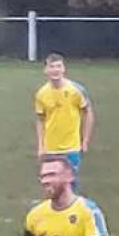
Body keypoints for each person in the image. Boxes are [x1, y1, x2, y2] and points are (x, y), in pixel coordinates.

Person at [34, 53, 95, 190]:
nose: (55, 70)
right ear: (46, 70)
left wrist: (85, 141)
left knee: (70, 184)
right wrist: (41, 145)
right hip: (51, 148)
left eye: (58, 66)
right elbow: (40, 119)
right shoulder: (41, 94)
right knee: (51, 185)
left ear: (64, 69)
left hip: (71, 147)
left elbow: (88, 113)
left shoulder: (75, 90)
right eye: (52, 67)